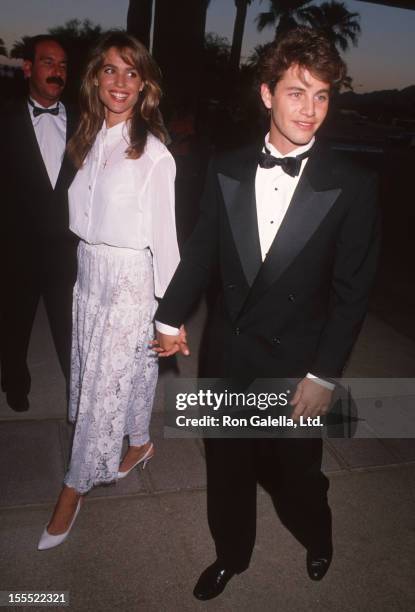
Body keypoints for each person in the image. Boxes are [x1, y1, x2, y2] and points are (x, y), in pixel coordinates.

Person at [155, 27, 380, 600]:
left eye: (323, 95)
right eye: (297, 92)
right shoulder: (227, 166)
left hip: (297, 360)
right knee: (226, 466)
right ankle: (232, 554)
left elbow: (353, 293)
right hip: (229, 349)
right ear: (266, 94)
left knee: (294, 473)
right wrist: (167, 315)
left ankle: (317, 532)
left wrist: (324, 374)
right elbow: (202, 248)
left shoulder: (351, 185)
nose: (311, 110)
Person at [37, 31, 180, 550]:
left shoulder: (155, 157)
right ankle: (140, 444)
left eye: (132, 72)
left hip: (128, 279)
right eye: (110, 71)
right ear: (95, 78)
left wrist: (170, 316)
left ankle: (72, 489)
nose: (120, 83)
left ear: (145, 86)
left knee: (101, 391)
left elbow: (166, 241)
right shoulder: (89, 138)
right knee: (129, 372)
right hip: (89, 272)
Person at [0, 35, 78, 412]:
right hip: (17, 249)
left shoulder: (84, 121)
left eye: (62, 65)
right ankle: (15, 383)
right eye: (48, 63)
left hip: (66, 249)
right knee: (14, 324)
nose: (57, 71)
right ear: (28, 68)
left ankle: (76, 393)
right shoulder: (6, 119)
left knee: (70, 329)